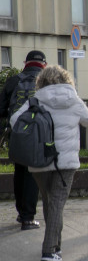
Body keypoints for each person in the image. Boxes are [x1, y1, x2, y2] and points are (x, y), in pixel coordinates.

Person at [10, 65, 88, 261]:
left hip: (39, 160)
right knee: (57, 203)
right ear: (66, 79)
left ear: (41, 80)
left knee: (50, 202)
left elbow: (15, 120)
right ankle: (49, 250)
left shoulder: (36, 99)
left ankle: (57, 244)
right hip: (65, 162)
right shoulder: (73, 98)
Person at [0, 50, 46, 230]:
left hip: (16, 133)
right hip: (38, 134)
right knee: (32, 174)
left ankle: (21, 214)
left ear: (25, 62)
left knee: (19, 172)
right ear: (44, 64)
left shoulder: (13, 80)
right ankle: (28, 218)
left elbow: (1, 109)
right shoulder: (45, 81)